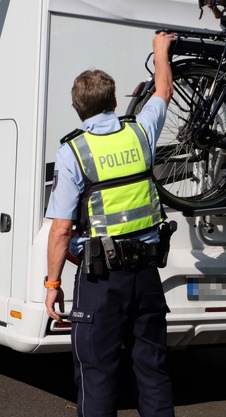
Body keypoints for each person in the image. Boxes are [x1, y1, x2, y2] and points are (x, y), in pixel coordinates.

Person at [44, 31, 176, 417]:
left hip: (102, 280)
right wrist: (160, 52)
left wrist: (52, 285)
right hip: (147, 275)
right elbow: (163, 91)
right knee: (152, 370)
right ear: (115, 102)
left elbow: (61, 230)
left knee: (98, 373)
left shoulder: (73, 152)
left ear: (77, 108)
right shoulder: (140, 130)